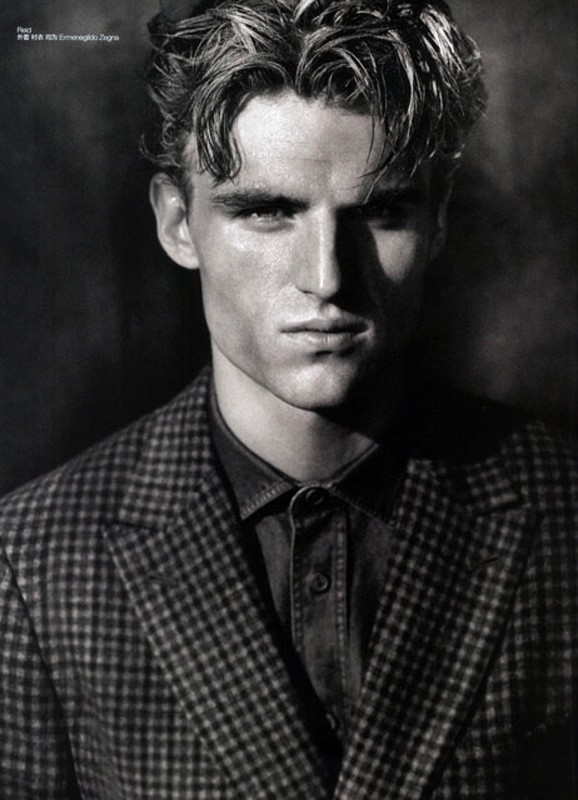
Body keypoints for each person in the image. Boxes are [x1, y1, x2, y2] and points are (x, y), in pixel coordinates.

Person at [0, 0, 575, 797]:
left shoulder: (563, 512)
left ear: (439, 220)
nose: (327, 277)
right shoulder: (31, 561)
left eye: (381, 211)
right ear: (177, 223)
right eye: (267, 211)